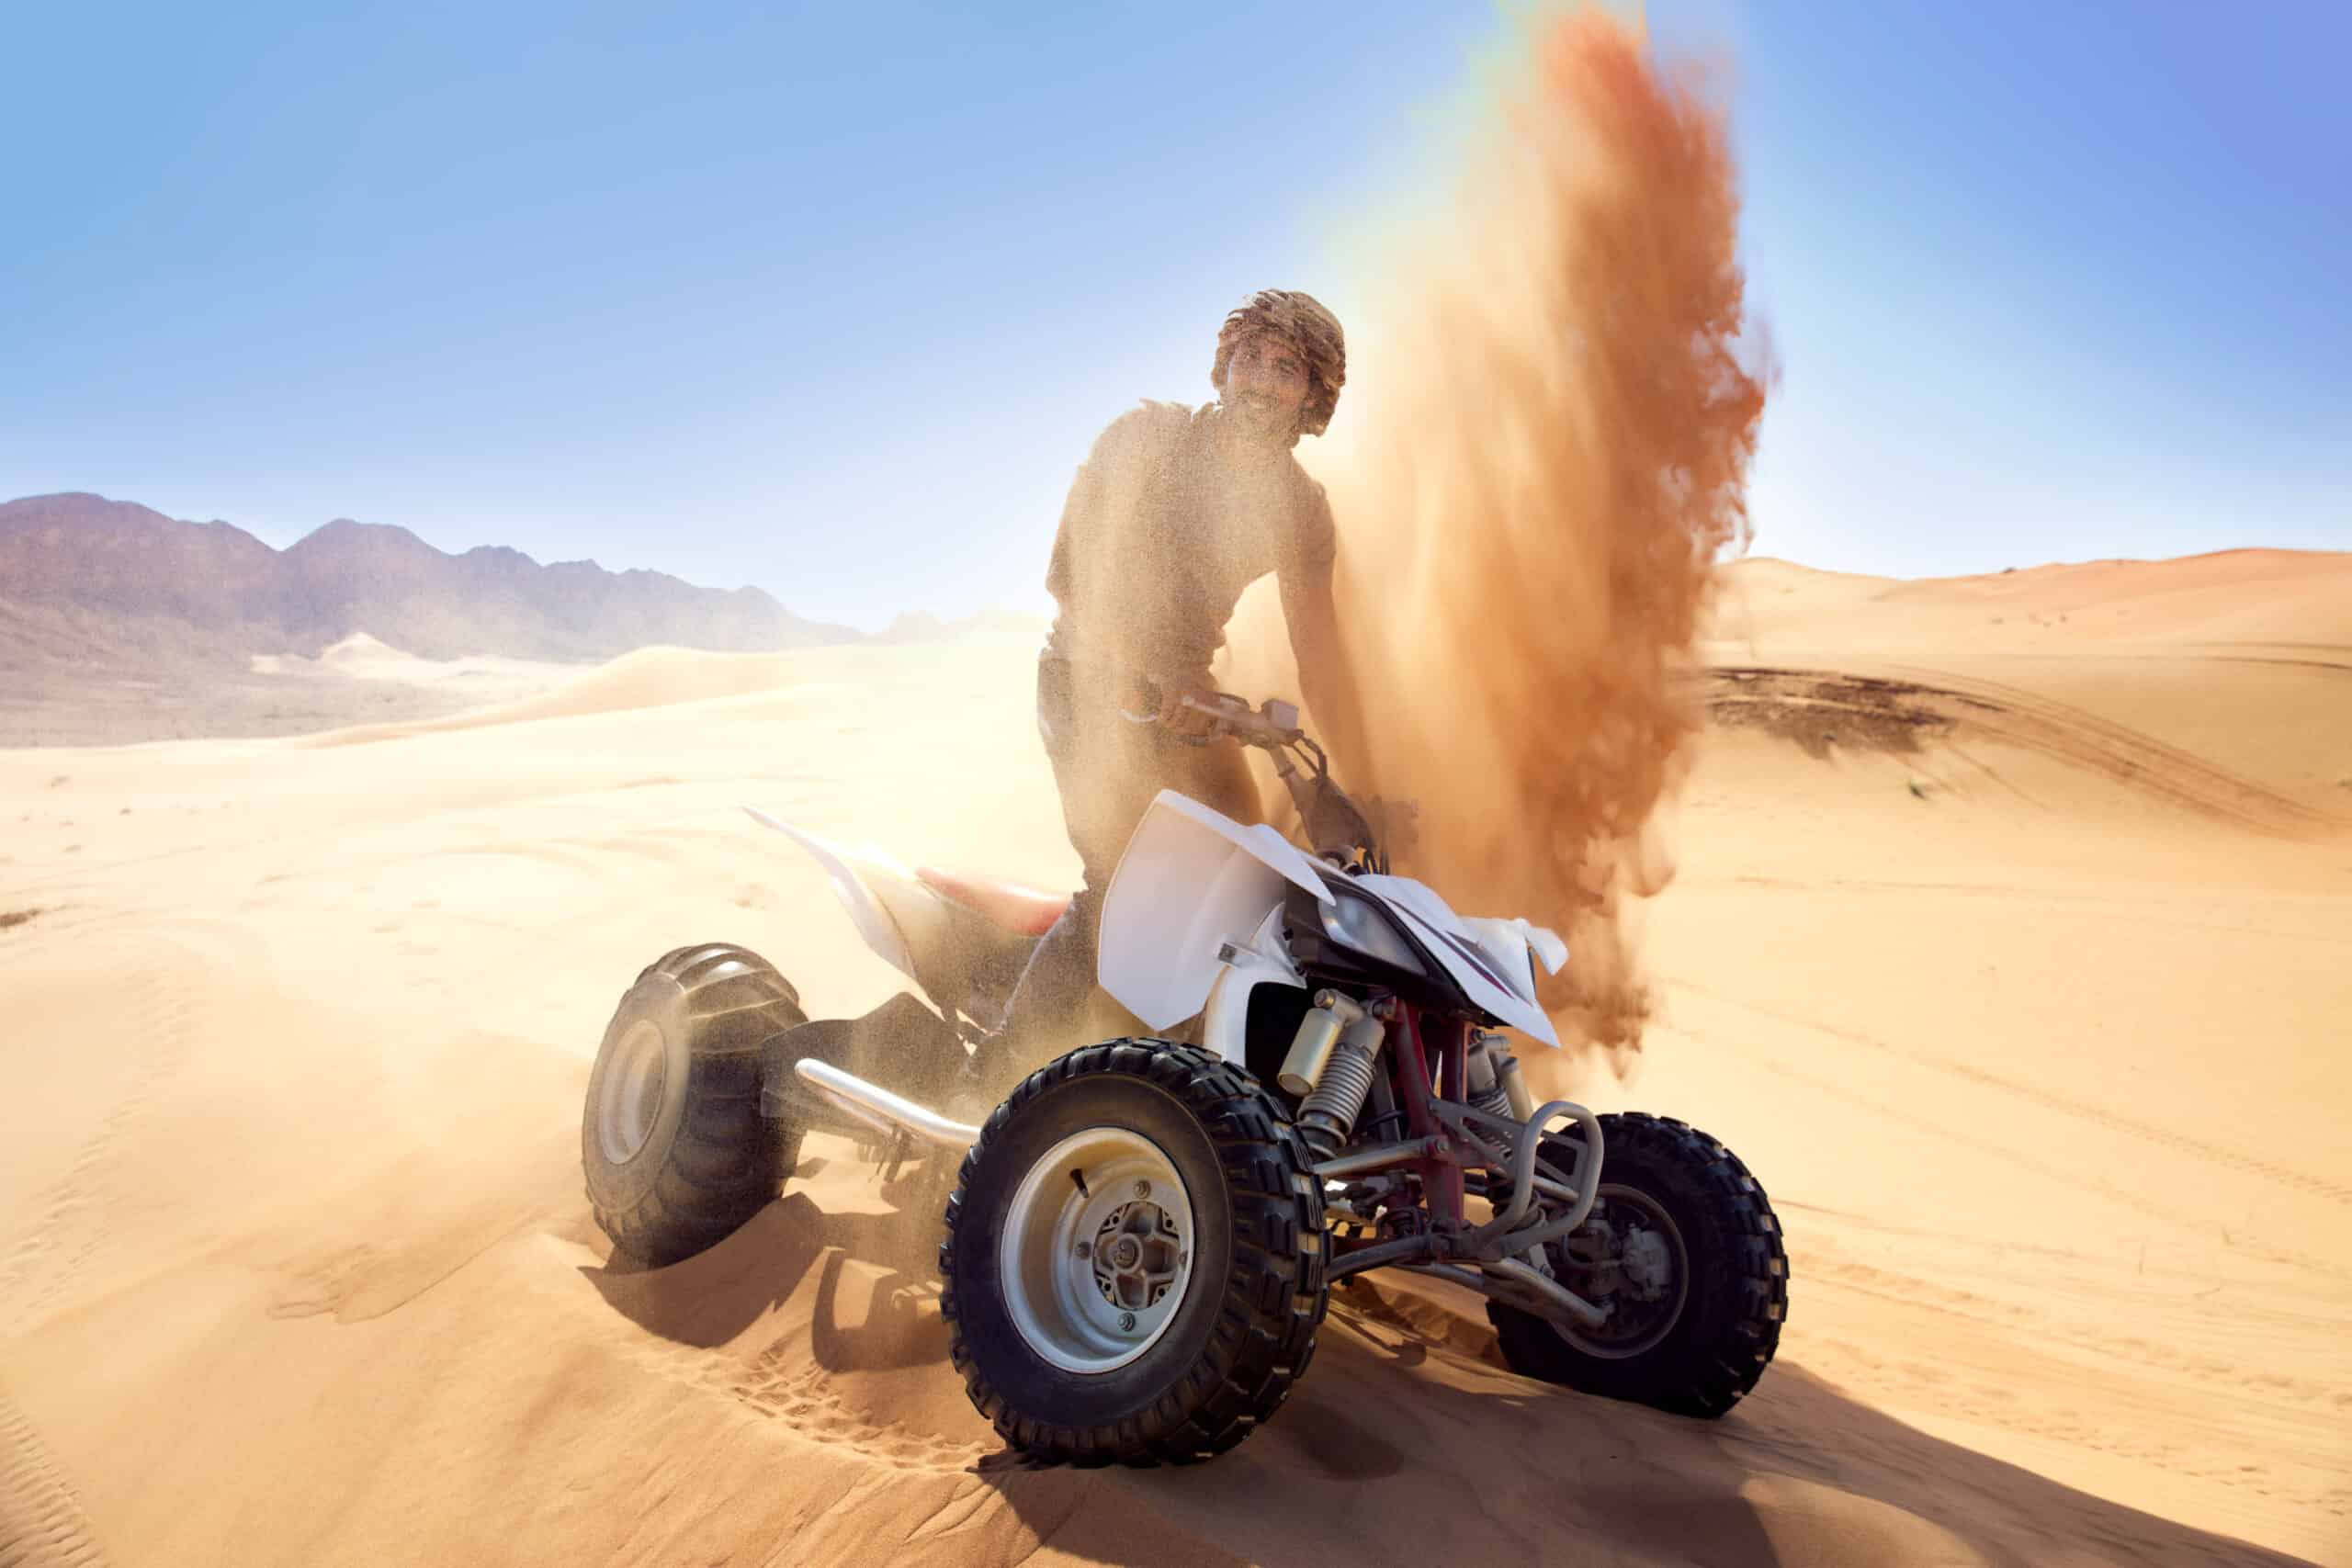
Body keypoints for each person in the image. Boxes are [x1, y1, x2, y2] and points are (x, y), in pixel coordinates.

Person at [962, 288, 1371, 1098]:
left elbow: (1321, 656)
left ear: (1315, 397)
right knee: (1118, 881)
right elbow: (1068, 575)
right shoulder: (1145, 438)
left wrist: (1364, 782)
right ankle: (990, 1084)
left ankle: (1210, 1083)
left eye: (1284, 366)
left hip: (1186, 702)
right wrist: (1140, 675)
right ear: (1222, 364)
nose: (1258, 378)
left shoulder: (1301, 510)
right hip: (1084, 678)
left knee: (1255, 881)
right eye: (1248, 356)